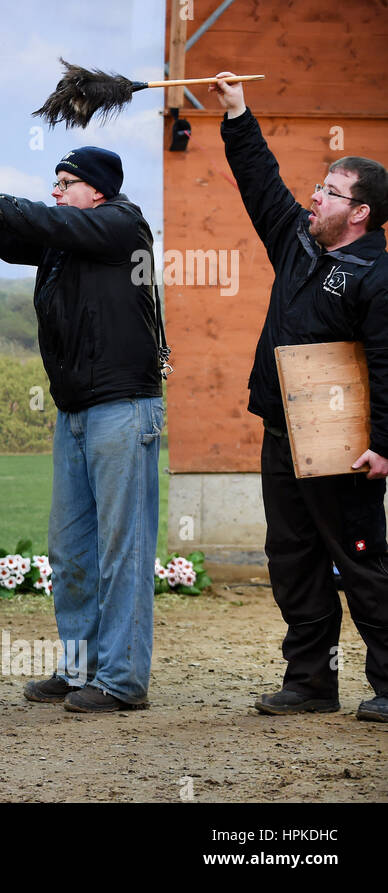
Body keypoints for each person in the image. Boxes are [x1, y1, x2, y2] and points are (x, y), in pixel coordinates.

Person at [0, 147, 164, 713]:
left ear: (97, 191)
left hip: (124, 411)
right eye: (54, 183)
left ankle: (123, 681)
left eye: (66, 182)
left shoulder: (121, 224)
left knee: (121, 549)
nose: (56, 191)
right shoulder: (68, 242)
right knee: (71, 549)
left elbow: (35, 218)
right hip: (76, 412)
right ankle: (80, 668)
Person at [211, 73, 388, 723]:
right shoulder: (297, 242)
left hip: (343, 433)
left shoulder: (378, 275)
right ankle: (310, 681)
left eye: (331, 192)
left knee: (362, 561)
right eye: (319, 187)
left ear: (361, 211)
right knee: (292, 557)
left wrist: (384, 444)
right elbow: (261, 181)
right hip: (283, 427)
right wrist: (236, 115)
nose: (315, 197)